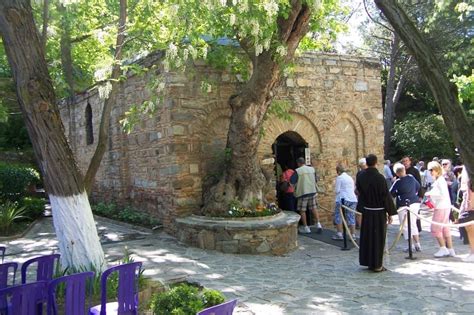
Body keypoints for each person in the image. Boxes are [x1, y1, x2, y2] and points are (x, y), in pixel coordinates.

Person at [356, 154, 396, 272]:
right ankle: (377, 265)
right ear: (376, 162)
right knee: (378, 238)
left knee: (368, 237)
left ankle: (368, 262)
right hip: (378, 213)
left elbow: (360, 193)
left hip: (367, 211)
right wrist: (390, 212)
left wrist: (361, 208)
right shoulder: (379, 178)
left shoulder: (361, 176)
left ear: (367, 163)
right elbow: (385, 196)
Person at [425, 161, 455, 258]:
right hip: (444, 206)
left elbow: (441, 194)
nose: (430, 172)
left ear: (436, 170)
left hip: (441, 207)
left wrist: (430, 194)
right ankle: (450, 249)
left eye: (431, 170)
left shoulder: (440, 180)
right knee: (445, 228)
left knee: (435, 228)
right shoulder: (439, 180)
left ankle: (443, 248)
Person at [390, 163, 422, 252]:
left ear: (396, 173)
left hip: (404, 205)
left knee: (405, 226)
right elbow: (418, 186)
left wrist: (398, 193)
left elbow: (391, 193)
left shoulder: (398, 182)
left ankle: (410, 245)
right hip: (415, 203)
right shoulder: (411, 177)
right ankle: (417, 244)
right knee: (413, 224)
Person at [291, 157, 322, 234]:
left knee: (302, 210)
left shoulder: (298, 171)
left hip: (303, 192)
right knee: (314, 208)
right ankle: (319, 224)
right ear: (304, 162)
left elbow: (292, 181)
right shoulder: (312, 169)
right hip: (312, 191)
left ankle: (306, 227)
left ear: (298, 163)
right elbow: (316, 179)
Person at [332, 164, 358, 240]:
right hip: (352, 199)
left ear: (338, 171)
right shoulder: (350, 178)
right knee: (351, 216)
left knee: (338, 215)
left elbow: (337, 190)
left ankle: (339, 234)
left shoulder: (339, 178)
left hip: (342, 198)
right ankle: (353, 235)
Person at [458, 168, 474, 262]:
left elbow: (470, 190)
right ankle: (472, 252)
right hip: (468, 203)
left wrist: (469, 205)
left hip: (470, 207)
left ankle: (473, 252)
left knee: (470, 230)